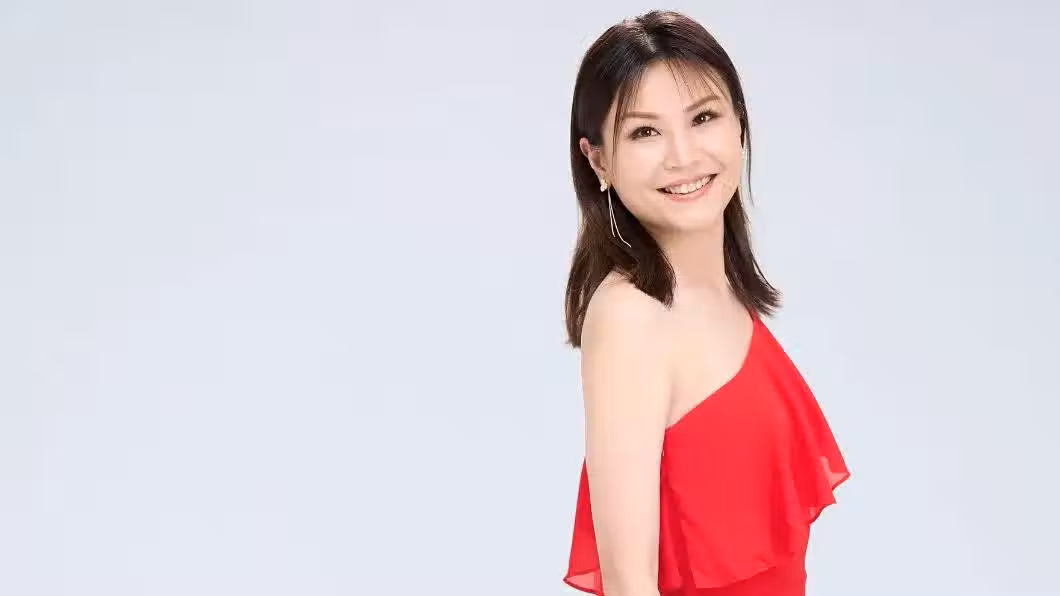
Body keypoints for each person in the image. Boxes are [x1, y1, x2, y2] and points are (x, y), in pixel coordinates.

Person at [561, 10, 850, 596]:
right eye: (645, 133)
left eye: (703, 118)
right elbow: (630, 583)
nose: (683, 155)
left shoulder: (723, 293)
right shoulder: (631, 317)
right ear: (599, 161)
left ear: (739, 124)